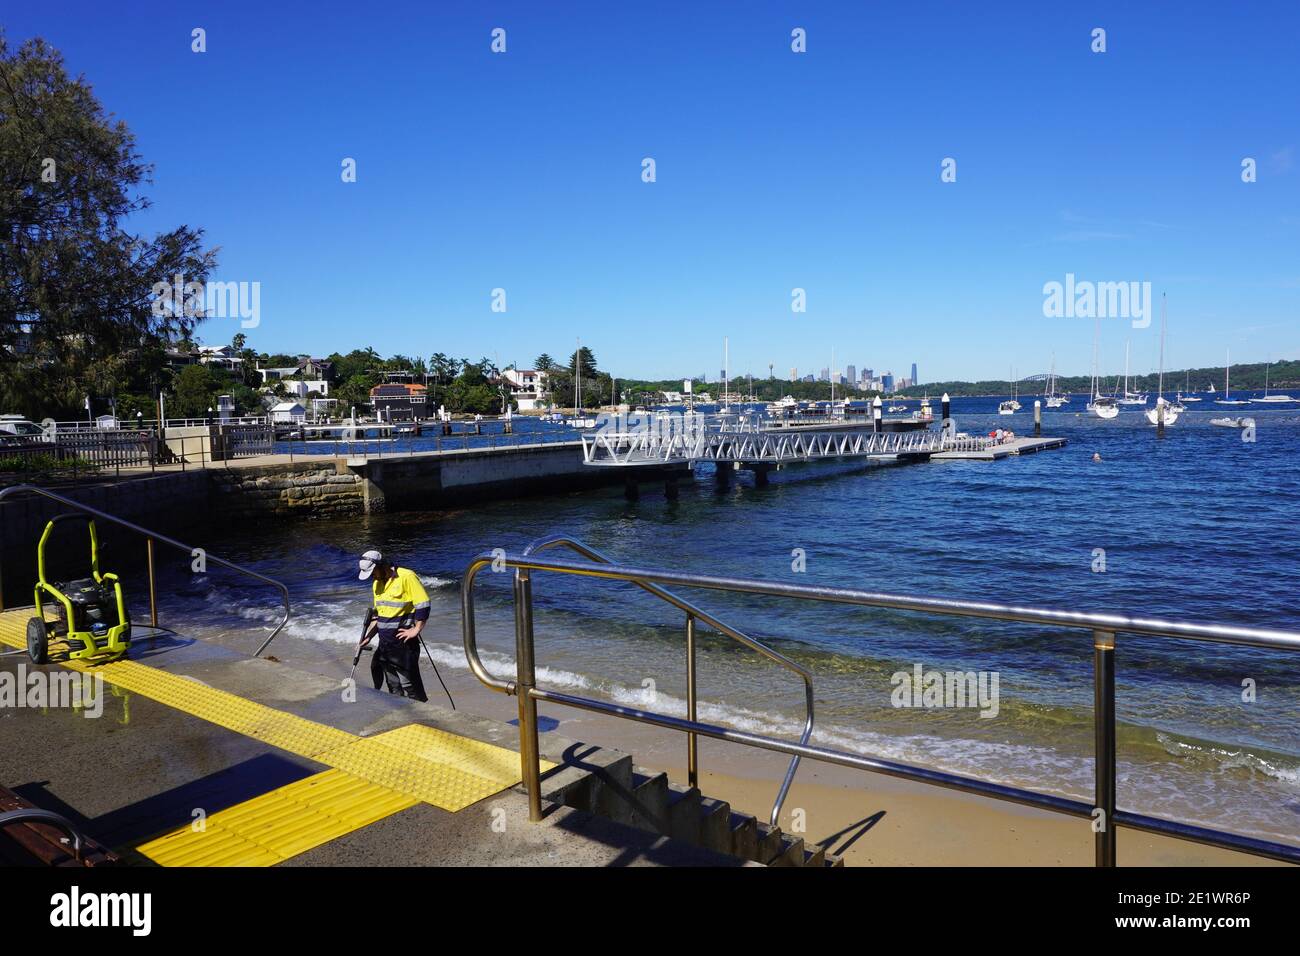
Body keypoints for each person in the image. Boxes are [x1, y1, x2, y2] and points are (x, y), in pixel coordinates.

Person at [356, 549, 430, 701]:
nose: (372, 577)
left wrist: (416, 629)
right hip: (385, 644)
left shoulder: (406, 576)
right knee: (393, 685)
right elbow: (379, 616)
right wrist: (368, 637)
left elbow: (423, 604)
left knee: (409, 685)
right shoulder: (377, 584)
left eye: (373, 573)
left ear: (381, 565)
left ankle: (422, 719)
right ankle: (402, 716)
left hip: (404, 645)